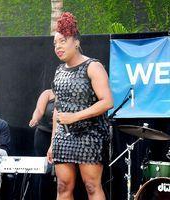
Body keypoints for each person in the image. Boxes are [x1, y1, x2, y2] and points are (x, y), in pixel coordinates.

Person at [47, 12, 114, 200]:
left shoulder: (93, 66)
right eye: (55, 43)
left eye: (62, 41)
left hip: (90, 135)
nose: (58, 47)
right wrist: (53, 142)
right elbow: (57, 111)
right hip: (63, 136)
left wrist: (75, 117)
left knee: (92, 186)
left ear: (76, 42)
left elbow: (107, 101)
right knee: (62, 186)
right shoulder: (59, 71)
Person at [29, 89, 56, 200]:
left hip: (64, 136)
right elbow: (39, 110)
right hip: (44, 134)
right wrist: (35, 119)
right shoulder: (48, 93)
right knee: (45, 172)